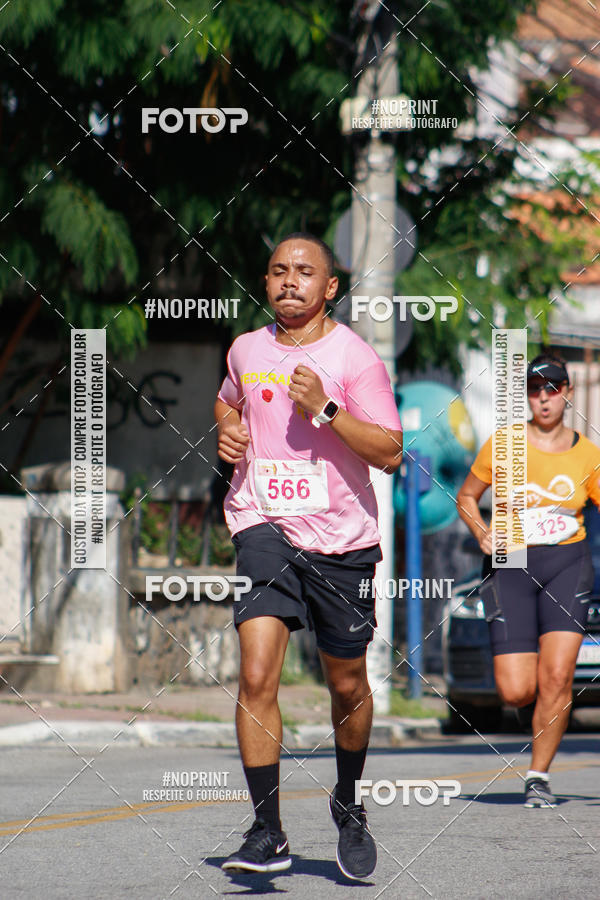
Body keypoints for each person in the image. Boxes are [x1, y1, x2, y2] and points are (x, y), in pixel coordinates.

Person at [214, 232, 403, 879]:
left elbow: (388, 452)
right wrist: (226, 425)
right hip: (263, 524)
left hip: (341, 542)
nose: (288, 281)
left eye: (304, 272)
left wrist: (324, 406)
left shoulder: (355, 360)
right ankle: (268, 831)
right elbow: (229, 396)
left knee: (346, 684)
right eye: (277, 271)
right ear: (266, 284)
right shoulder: (246, 349)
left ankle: (347, 803)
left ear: (330, 288)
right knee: (257, 671)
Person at [456, 353, 600, 807]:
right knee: (516, 688)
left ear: (567, 393)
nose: (544, 397)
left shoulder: (587, 454)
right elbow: (466, 496)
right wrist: (481, 532)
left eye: (552, 388)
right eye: (535, 389)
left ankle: (538, 776)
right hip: (511, 561)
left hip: (567, 563)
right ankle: (540, 707)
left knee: (558, 675)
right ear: (527, 396)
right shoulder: (504, 444)